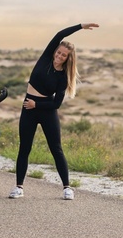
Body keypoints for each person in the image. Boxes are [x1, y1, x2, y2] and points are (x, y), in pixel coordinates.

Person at [9, 23, 99, 200]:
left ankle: (67, 188)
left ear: (68, 59)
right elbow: (59, 34)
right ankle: (19, 187)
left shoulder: (63, 77)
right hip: (28, 109)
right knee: (24, 148)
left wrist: (37, 105)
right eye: (58, 52)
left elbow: (56, 104)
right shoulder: (45, 58)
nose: (59, 56)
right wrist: (81, 26)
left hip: (45, 111)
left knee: (56, 149)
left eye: (63, 55)